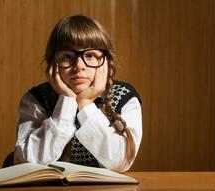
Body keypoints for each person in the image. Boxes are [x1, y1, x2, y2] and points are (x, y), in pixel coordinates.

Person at [14, 15, 142, 173]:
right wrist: (67, 102)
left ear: (106, 62)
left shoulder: (124, 97)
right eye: (67, 56)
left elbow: (120, 162)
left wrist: (86, 103)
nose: (79, 66)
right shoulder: (36, 99)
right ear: (53, 63)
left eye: (90, 56)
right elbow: (27, 162)